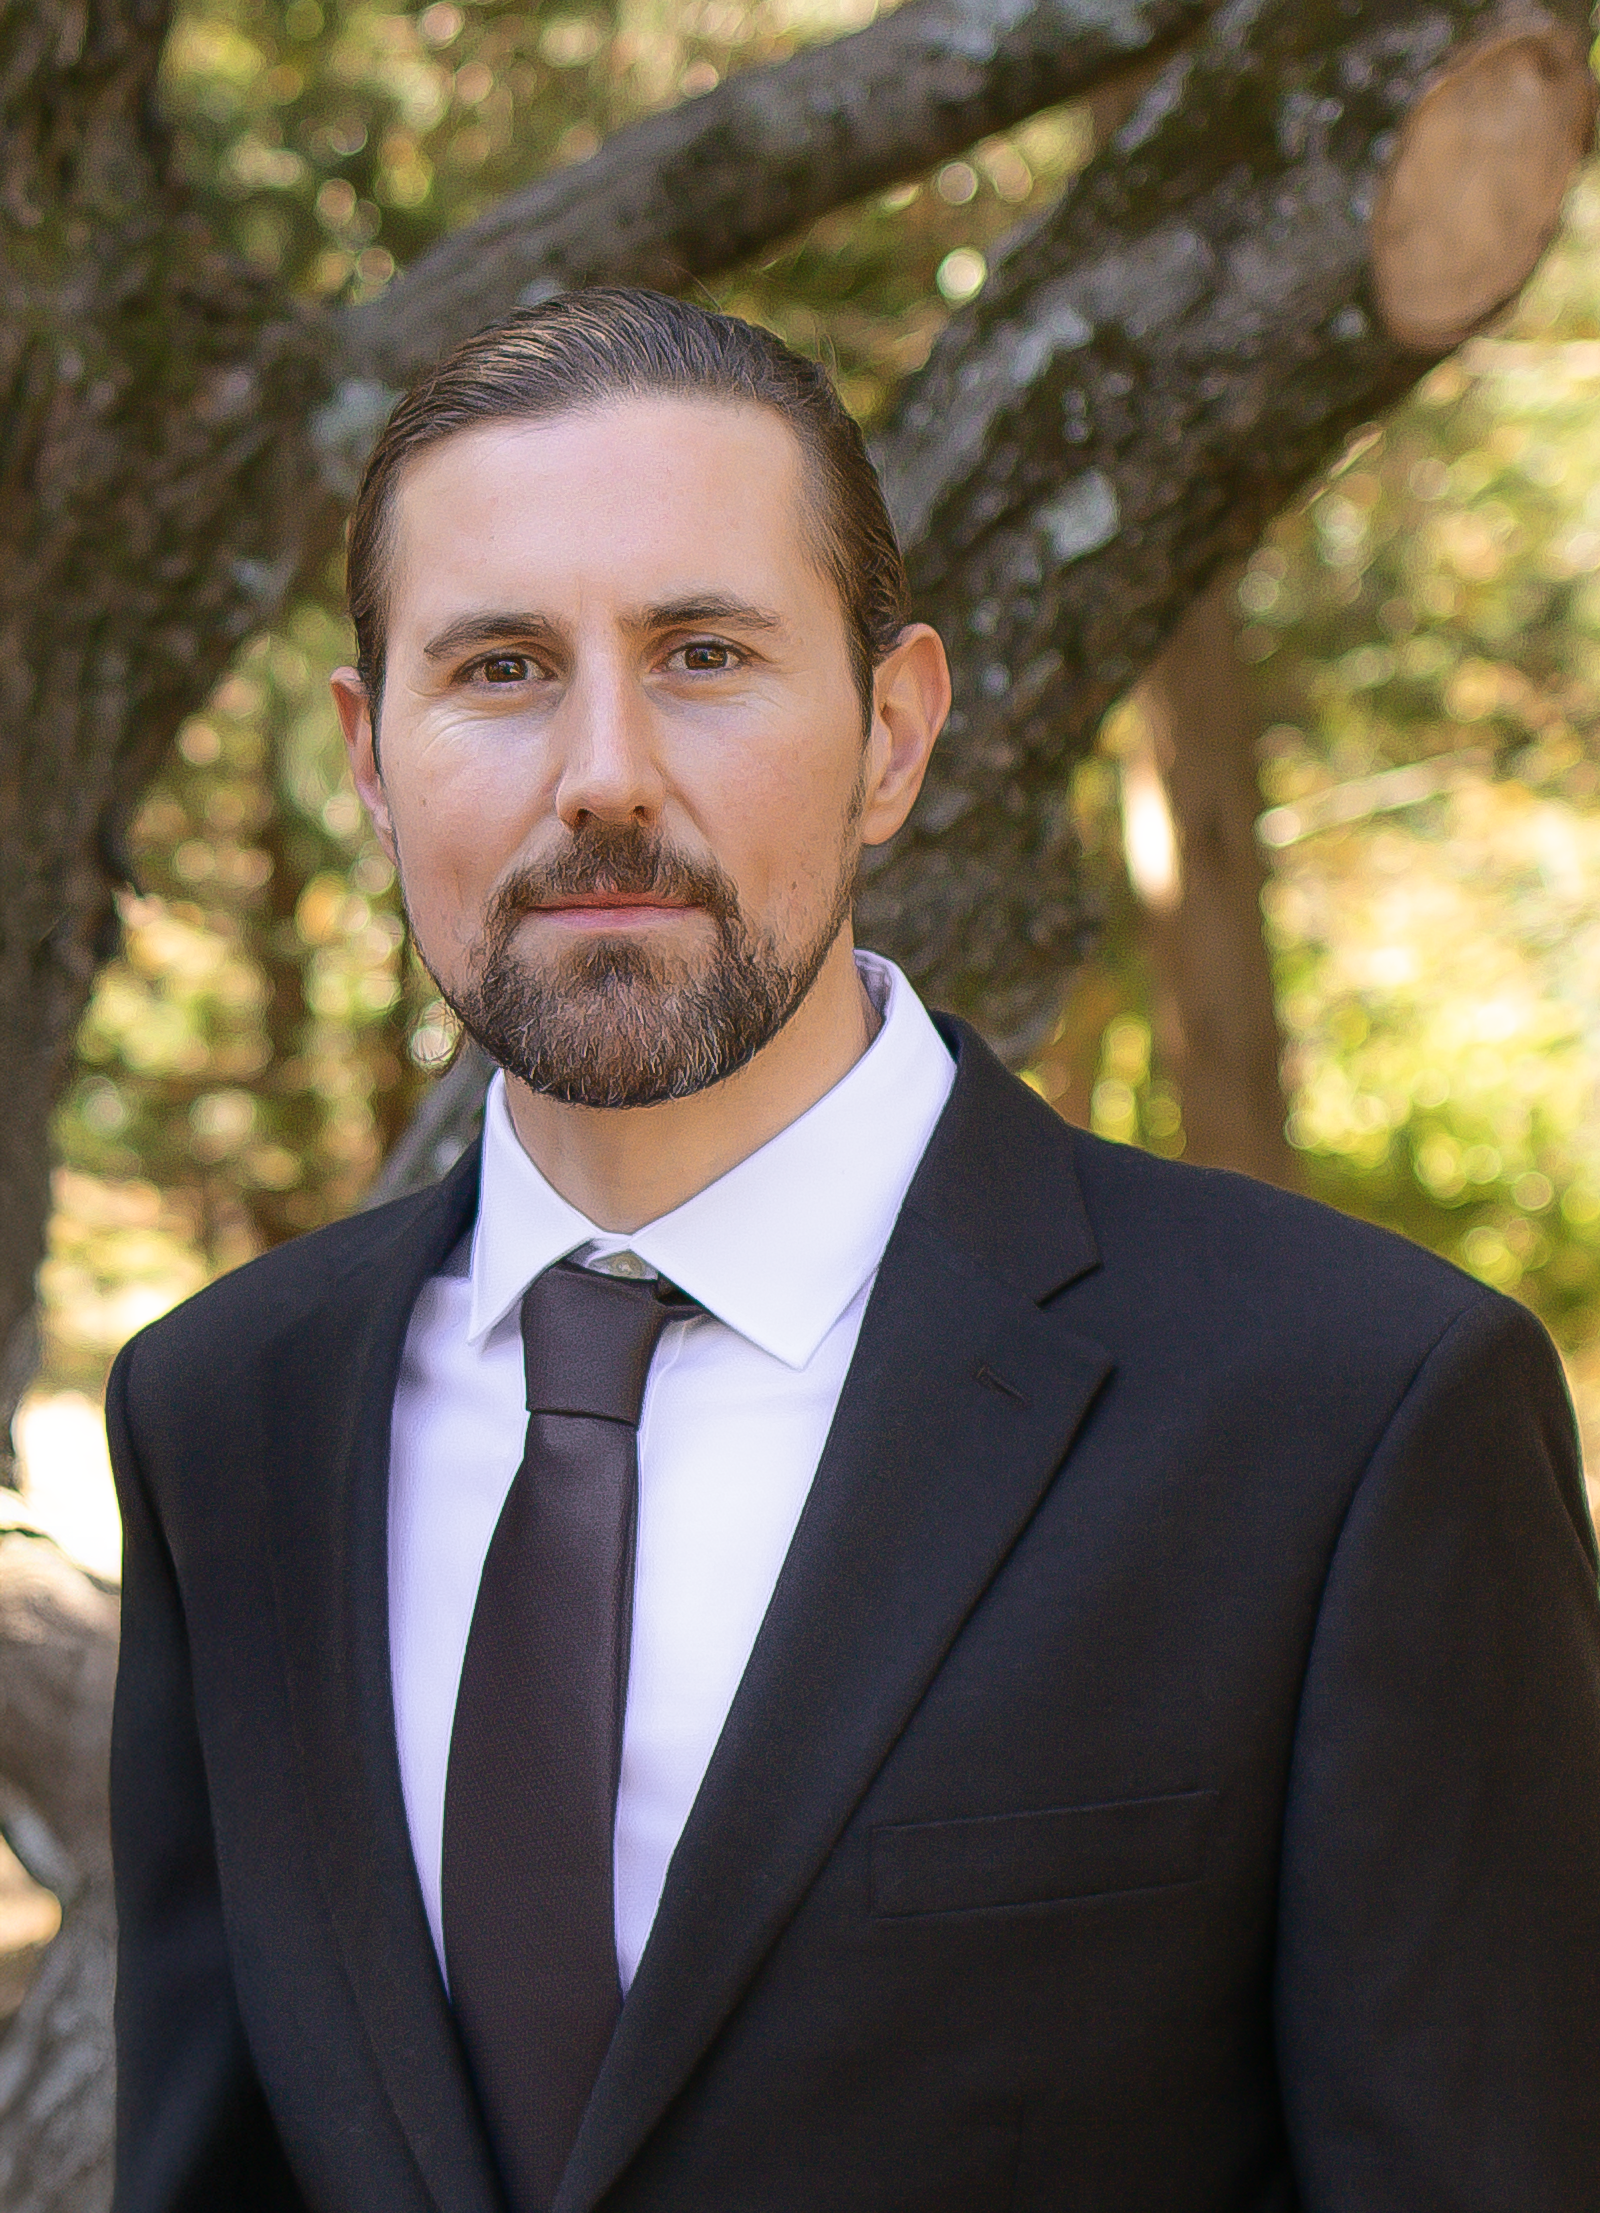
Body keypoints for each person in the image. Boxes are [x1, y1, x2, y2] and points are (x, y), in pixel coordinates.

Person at [107, 288, 1600, 2213]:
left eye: (705, 654)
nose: (603, 774)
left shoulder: (1355, 1416)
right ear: (371, 757)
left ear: (893, 735)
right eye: (497, 668)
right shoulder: (225, 1416)